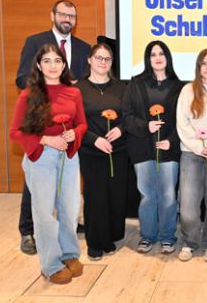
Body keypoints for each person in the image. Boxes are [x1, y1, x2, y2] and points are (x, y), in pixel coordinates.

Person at [15, 0, 91, 255]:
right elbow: (21, 78)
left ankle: (67, 228)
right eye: (63, 14)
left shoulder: (83, 48)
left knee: (66, 187)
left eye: (72, 15)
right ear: (52, 15)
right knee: (35, 184)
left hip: (68, 127)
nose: (67, 18)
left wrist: (69, 91)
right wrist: (49, 90)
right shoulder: (35, 41)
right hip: (41, 123)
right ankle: (27, 231)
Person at [9, 43, 87, 284]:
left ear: (64, 65)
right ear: (39, 66)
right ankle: (50, 264)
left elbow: (82, 123)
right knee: (44, 214)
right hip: (41, 156)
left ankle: (69, 253)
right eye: (47, 61)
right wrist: (46, 139)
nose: (53, 66)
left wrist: (75, 134)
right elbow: (15, 132)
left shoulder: (74, 92)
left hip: (69, 156)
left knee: (70, 208)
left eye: (57, 61)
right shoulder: (29, 94)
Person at [123, 40, 184, 254]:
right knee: (147, 195)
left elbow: (184, 121)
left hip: (168, 149)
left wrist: (172, 141)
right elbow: (127, 116)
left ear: (167, 57)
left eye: (161, 54)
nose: (157, 58)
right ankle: (147, 236)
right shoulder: (136, 83)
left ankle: (168, 236)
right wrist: (145, 126)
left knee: (168, 195)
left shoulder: (179, 86)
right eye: (152, 54)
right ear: (148, 59)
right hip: (142, 148)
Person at [76, 44, 128, 261]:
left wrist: (120, 128)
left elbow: (129, 115)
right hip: (91, 151)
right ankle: (96, 241)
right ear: (89, 60)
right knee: (96, 196)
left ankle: (112, 236)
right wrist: (94, 140)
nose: (103, 62)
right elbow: (75, 122)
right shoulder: (78, 89)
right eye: (99, 58)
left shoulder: (121, 87)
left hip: (118, 150)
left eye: (107, 59)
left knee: (115, 195)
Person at [176, 49, 207, 262]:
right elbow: (182, 122)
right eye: (203, 63)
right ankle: (190, 242)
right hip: (191, 153)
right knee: (187, 204)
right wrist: (197, 145)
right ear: (198, 67)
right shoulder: (188, 90)